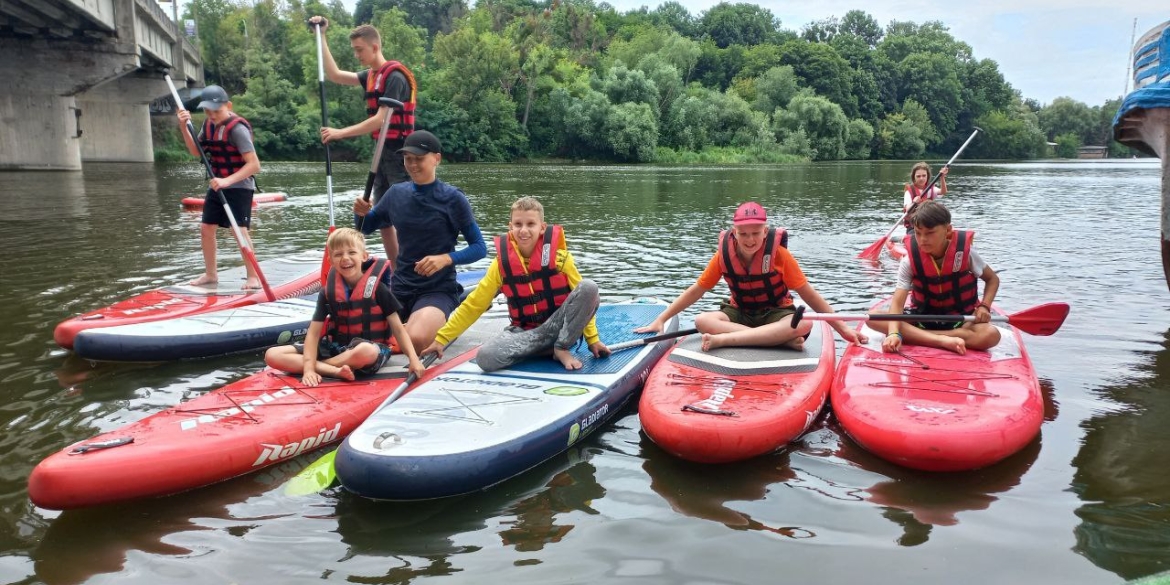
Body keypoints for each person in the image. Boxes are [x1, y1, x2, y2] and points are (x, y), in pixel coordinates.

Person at [636, 202, 865, 351]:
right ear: (734, 233)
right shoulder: (723, 256)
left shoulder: (780, 256)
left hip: (776, 313)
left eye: (756, 233)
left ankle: (726, 340)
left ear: (766, 232)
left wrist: (843, 329)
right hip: (740, 313)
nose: (750, 240)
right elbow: (697, 290)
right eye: (743, 234)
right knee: (702, 321)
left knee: (803, 323)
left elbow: (810, 295)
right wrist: (661, 319)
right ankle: (776, 340)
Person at [423, 197, 610, 371]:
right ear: (510, 227)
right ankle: (544, 349)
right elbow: (474, 305)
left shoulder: (561, 259)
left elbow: (586, 300)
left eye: (530, 224)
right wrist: (441, 339)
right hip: (524, 333)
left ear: (542, 227)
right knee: (485, 358)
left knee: (589, 287)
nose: (524, 230)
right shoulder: (500, 265)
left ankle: (560, 348)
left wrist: (592, 340)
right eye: (518, 224)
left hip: (560, 330)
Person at [354, 130, 487, 353]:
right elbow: (364, 228)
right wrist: (360, 212)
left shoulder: (454, 199)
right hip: (400, 288)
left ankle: (410, 329)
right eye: (408, 159)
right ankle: (394, 335)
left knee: (414, 339)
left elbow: (479, 247)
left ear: (437, 158)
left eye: (419, 159)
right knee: (356, 331)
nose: (413, 165)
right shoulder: (396, 193)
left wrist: (446, 259)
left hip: (437, 290)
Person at [308, 15, 417, 258]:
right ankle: (396, 268)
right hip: (380, 152)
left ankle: (412, 264)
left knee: (403, 213)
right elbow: (335, 74)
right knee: (383, 217)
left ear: (375, 47)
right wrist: (321, 35)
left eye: (360, 50)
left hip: (400, 153)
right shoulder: (370, 75)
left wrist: (339, 133)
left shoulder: (395, 77)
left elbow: (380, 120)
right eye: (355, 50)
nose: (357, 55)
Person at [264, 228, 424, 386]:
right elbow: (313, 334)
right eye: (338, 254)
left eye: (351, 253)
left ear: (364, 256)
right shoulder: (327, 292)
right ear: (330, 260)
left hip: (370, 350)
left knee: (366, 351)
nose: (345, 258)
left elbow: (398, 328)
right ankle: (333, 371)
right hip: (337, 347)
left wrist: (414, 360)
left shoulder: (379, 290)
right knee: (272, 355)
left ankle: (322, 365)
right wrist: (308, 370)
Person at [880, 201, 1001, 356]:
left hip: (960, 319)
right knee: (873, 318)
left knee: (991, 335)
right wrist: (893, 334)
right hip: (924, 318)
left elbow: (992, 279)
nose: (923, 239)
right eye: (918, 233)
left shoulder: (965, 254)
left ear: (947, 230)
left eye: (930, 233)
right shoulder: (909, 260)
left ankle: (919, 336)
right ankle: (944, 340)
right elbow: (897, 302)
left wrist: (985, 306)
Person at [176, 84, 262, 289]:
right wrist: (183, 128)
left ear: (228, 105)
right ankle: (211, 274)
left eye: (217, 111)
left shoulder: (238, 129)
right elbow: (197, 152)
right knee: (206, 228)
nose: (212, 115)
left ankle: (253, 277)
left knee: (238, 231)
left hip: (239, 186)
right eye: (207, 111)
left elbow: (254, 165)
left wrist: (227, 181)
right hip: (218, 185)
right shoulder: (208, 125)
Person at [902, 161, 948, 229]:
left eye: (924, 176)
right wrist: (914, 202)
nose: (921, 178)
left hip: (928, 224)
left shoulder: (931, 188)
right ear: (914, 177)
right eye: (918, 176)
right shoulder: (909, 192)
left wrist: (942, 178)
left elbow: (943, 192)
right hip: (914, 226)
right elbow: (908, 209)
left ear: (927, 176)